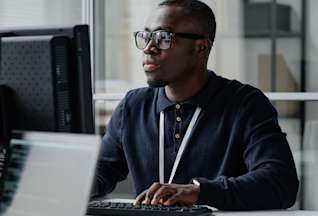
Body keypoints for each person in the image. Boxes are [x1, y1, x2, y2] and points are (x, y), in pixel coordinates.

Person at [92, 0, 299, 210]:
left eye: (163, 37)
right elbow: (101, 171)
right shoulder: (133, 106)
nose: (149, 48)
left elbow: (281, 183)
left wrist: (198, 192)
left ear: (200, 47)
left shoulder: (246, 104)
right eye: (146, 36)